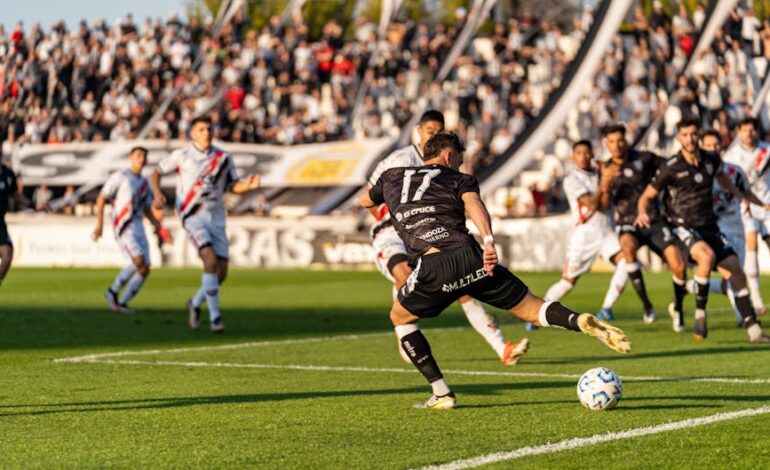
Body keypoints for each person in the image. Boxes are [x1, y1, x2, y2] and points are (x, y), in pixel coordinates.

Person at [360, 132, 631, 410]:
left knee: (400, 318)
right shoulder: (459, 179)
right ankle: (579, 320)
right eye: (460, 161)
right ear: (448, 155)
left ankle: (442, 393)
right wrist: (488, 241)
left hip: (434, 264)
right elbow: (474, 205)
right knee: (533, 309)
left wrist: (400, 210)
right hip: (472, 257)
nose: (460, 167)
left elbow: (365, 201)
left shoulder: (392, 176)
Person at [364, 110, 529, 366]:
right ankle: (405, 332)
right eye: (431, 131)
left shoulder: (447, 165)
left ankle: (501, 348)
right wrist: (401, 219)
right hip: (392, 232)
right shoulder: (398, 160)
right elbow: (369, 199)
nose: (435, 135)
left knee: (463, 284)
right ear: (419, 131)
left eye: (439, 131)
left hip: (433, 233)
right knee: (404, 274)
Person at [636, 118, 770, 343]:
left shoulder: (711, 160)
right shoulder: (670, 166)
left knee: (735, 270)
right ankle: (700, 314)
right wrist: (642, 212)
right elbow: (647, 196)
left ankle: (754, 331)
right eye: (685, 135)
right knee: (706, 257)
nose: (690, 139)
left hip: (709, 226)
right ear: (678, 138)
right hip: (682, 226)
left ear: (698, 135)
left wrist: (746, 198)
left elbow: (725, 180)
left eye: (693, 134)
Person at [151, 116, 261, 332]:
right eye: (201, 129)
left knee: (220, 273)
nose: (206, 133)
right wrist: (157, 195)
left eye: (209, 129)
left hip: (217, 218)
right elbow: (156, 173)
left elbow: (232, 185)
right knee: (209, 259)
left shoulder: (223, 157)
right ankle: (215, 318)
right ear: (192, 133)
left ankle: (194, 303)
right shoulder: (182, 155)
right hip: (192, 216)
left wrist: (247, 186)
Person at [599, 124, 688, 328]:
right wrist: (604, 183)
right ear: (606, 144)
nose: (617, 145)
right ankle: (647, 306)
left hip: (654, 221)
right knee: (628, 248)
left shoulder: (645, 158)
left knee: (679, 265)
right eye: (611, 141)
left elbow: (672, 168)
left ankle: (678, 308)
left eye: (620, 140)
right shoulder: (606, 169)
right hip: (627, 223)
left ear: (626, 140)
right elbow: (604, 205)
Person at [542, 140, 630, 322]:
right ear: (573, 157)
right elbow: (592, 204)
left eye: (586, 152)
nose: (583, 156)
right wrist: (605, 182)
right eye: (579, 153)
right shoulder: (572, 179)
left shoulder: (599, 172)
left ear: (592, 154)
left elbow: (606, 201)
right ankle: (539, 312)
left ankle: (606, 308)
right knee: (567, 283)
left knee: (627, 261)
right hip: (584, 235)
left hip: (606, 231)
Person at [93, 147, 169, 313]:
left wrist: (158, 228)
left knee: (145, 268)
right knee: (138, 260)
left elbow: (147, 209)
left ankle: (122, 302)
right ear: (130, 158)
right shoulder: (120, 177)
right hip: (124, 225)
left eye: (144, 156)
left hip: (139, 226)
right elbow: (101, 198)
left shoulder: (144, 183)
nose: (141, 159)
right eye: (138, 155)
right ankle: (112, 292)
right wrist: (99, 225)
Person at [722, 118, 769, 315]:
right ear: (738, 132)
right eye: (745, 130)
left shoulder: (766, 151)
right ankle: (756, 299)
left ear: (757, 132)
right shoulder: (731, 156)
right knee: (752, 247)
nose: (749, 134)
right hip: (747, 207)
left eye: (752, 130)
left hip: (767, 205)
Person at [0, 158, 18, 287]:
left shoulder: (7, 173)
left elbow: (16, 194)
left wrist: (32, 205)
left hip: (0, 223)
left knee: (7, 254)